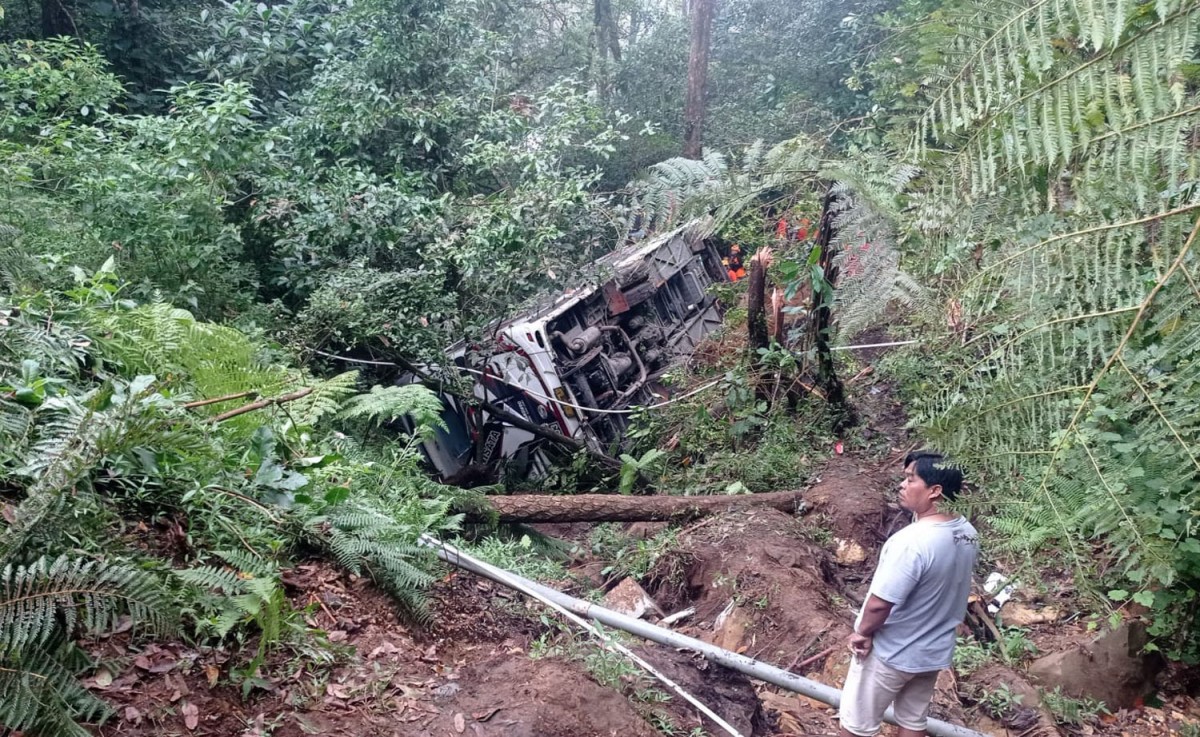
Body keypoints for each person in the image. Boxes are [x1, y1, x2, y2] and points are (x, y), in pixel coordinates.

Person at [838, 451, 978, 737]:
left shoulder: (911, 542)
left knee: (857, 725)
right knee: (913, 722)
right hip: (932, 652)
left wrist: (862, 633)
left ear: (935, 491)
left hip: (892, 652)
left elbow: (879, 605)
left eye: (910, 479)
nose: (902, 485)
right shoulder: (967, 532)